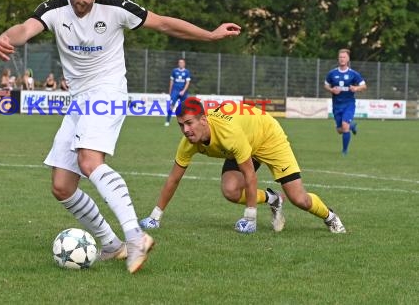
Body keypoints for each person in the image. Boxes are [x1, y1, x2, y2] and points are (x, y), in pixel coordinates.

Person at [0, 0, 241, 273]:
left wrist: (209, 35)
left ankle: (135, 235)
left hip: (108, 93)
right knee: (62, 186)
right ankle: (111, 244)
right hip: (80, 101)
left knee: (89, 160)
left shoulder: (116, 8)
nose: (86, 0)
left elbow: (163, 22)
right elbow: (25, 29)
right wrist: (6, 37)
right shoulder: (53, 10)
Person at [140, 97, 346, 234]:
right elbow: (173, 179)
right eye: (181, 125)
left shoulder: (228, 134)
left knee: (299, 199)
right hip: (246, 141)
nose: (185, 130)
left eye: (189, 123)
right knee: (230, 190)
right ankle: (272, 198)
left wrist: (250, 218)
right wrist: (155, 217)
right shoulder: (188, 143)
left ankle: (330, 216)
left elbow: (250, 175)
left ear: (203, 120)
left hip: (267, 135)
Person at [324, 48, 367, 155]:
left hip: (349, 104)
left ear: (348, 59)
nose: (342, 59)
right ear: (338, 59)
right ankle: (352, 126)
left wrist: (356, 88)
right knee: (340, 130)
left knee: (344, 125)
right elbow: (326, 85)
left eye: (344, 57)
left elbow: (364, 86)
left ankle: (344, 151)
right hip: (336, 105)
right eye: (340, 57)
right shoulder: (332, 73)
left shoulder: (353, 74)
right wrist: (331, 90)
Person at [164, 58, 191, 127]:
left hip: (183, 92)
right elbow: (171, 81)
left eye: (182, 62)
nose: (181, 64)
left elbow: (187, 82)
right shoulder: (174, 71)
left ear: (184, 64)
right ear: (178, 63)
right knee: (172, 105)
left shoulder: (187, 72)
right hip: (175, 91)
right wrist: (170, 91)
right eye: (180, 62)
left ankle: (185, 122)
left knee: (184, 107)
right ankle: (167, 121)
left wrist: (183, 91)